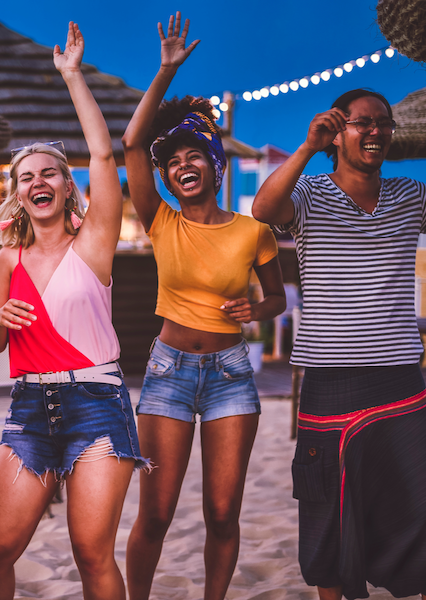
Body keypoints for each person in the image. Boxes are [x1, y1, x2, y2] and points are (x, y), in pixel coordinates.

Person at [251, 89, 426, 600]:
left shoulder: (411, 196)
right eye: (361, 123)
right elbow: (264, 207)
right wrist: (305, 148)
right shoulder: (308, 196)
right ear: (337, 131)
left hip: (399, 379)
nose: (375, 131)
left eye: (383, 123)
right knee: (329, 513)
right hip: (330, 381)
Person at [0, 22, 147, 600]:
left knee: (90, 553)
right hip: (28, 407)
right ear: (17, 193)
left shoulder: (92, 244)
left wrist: (71, 75)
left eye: (48, 172)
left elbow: (104, 151)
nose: (37, 181)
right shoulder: (8, 259)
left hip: (96, 405)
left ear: (66, 187)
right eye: (26, 178)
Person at [121, 13, 286, 600]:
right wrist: (165, 71)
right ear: (166, 177)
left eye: (194, 156)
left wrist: (254, 310)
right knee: (158, 513)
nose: (181, 166)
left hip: (231, 377)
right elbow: (132, 142)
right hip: (167, 373)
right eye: (173, 163)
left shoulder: (252, 231)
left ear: (214, 164)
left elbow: (277, 302)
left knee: (222, 512)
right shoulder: (160, 220)